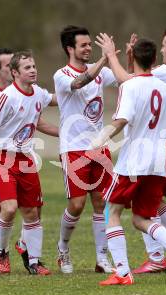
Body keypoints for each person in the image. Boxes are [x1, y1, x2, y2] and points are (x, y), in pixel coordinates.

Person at [96, 30, 166, 274]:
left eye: (165, 46)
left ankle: (164, 254)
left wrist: (112, 55)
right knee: (150, 203)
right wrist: (133, 57)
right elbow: (137, 79)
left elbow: (130, 81)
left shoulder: (165, 73)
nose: (163, 50)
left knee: (136, 207)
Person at [0, 50, 58, 275]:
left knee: (32, 212)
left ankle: (34, 261)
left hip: (26, 159)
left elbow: (58, 99)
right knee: (9, 208)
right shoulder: (6, 97)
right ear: (14, 73)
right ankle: (1, 254)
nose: (33, 70)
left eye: (34, 66)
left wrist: (85, 86)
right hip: (4, 158)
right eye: (27, 68)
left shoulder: (38, 94)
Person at [53, 25, 118, 274]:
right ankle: (63, 249)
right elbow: (81, 82)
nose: (89, 48)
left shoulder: (101, 72)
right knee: (77, 205)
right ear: (70, 48)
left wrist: (130, 56)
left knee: (102, 202)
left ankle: (102, 258)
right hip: (73, 149)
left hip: (99, 148)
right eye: (84, 45)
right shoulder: (61, 75)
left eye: (91, 44)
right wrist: (104, 57)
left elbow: (125, 79)